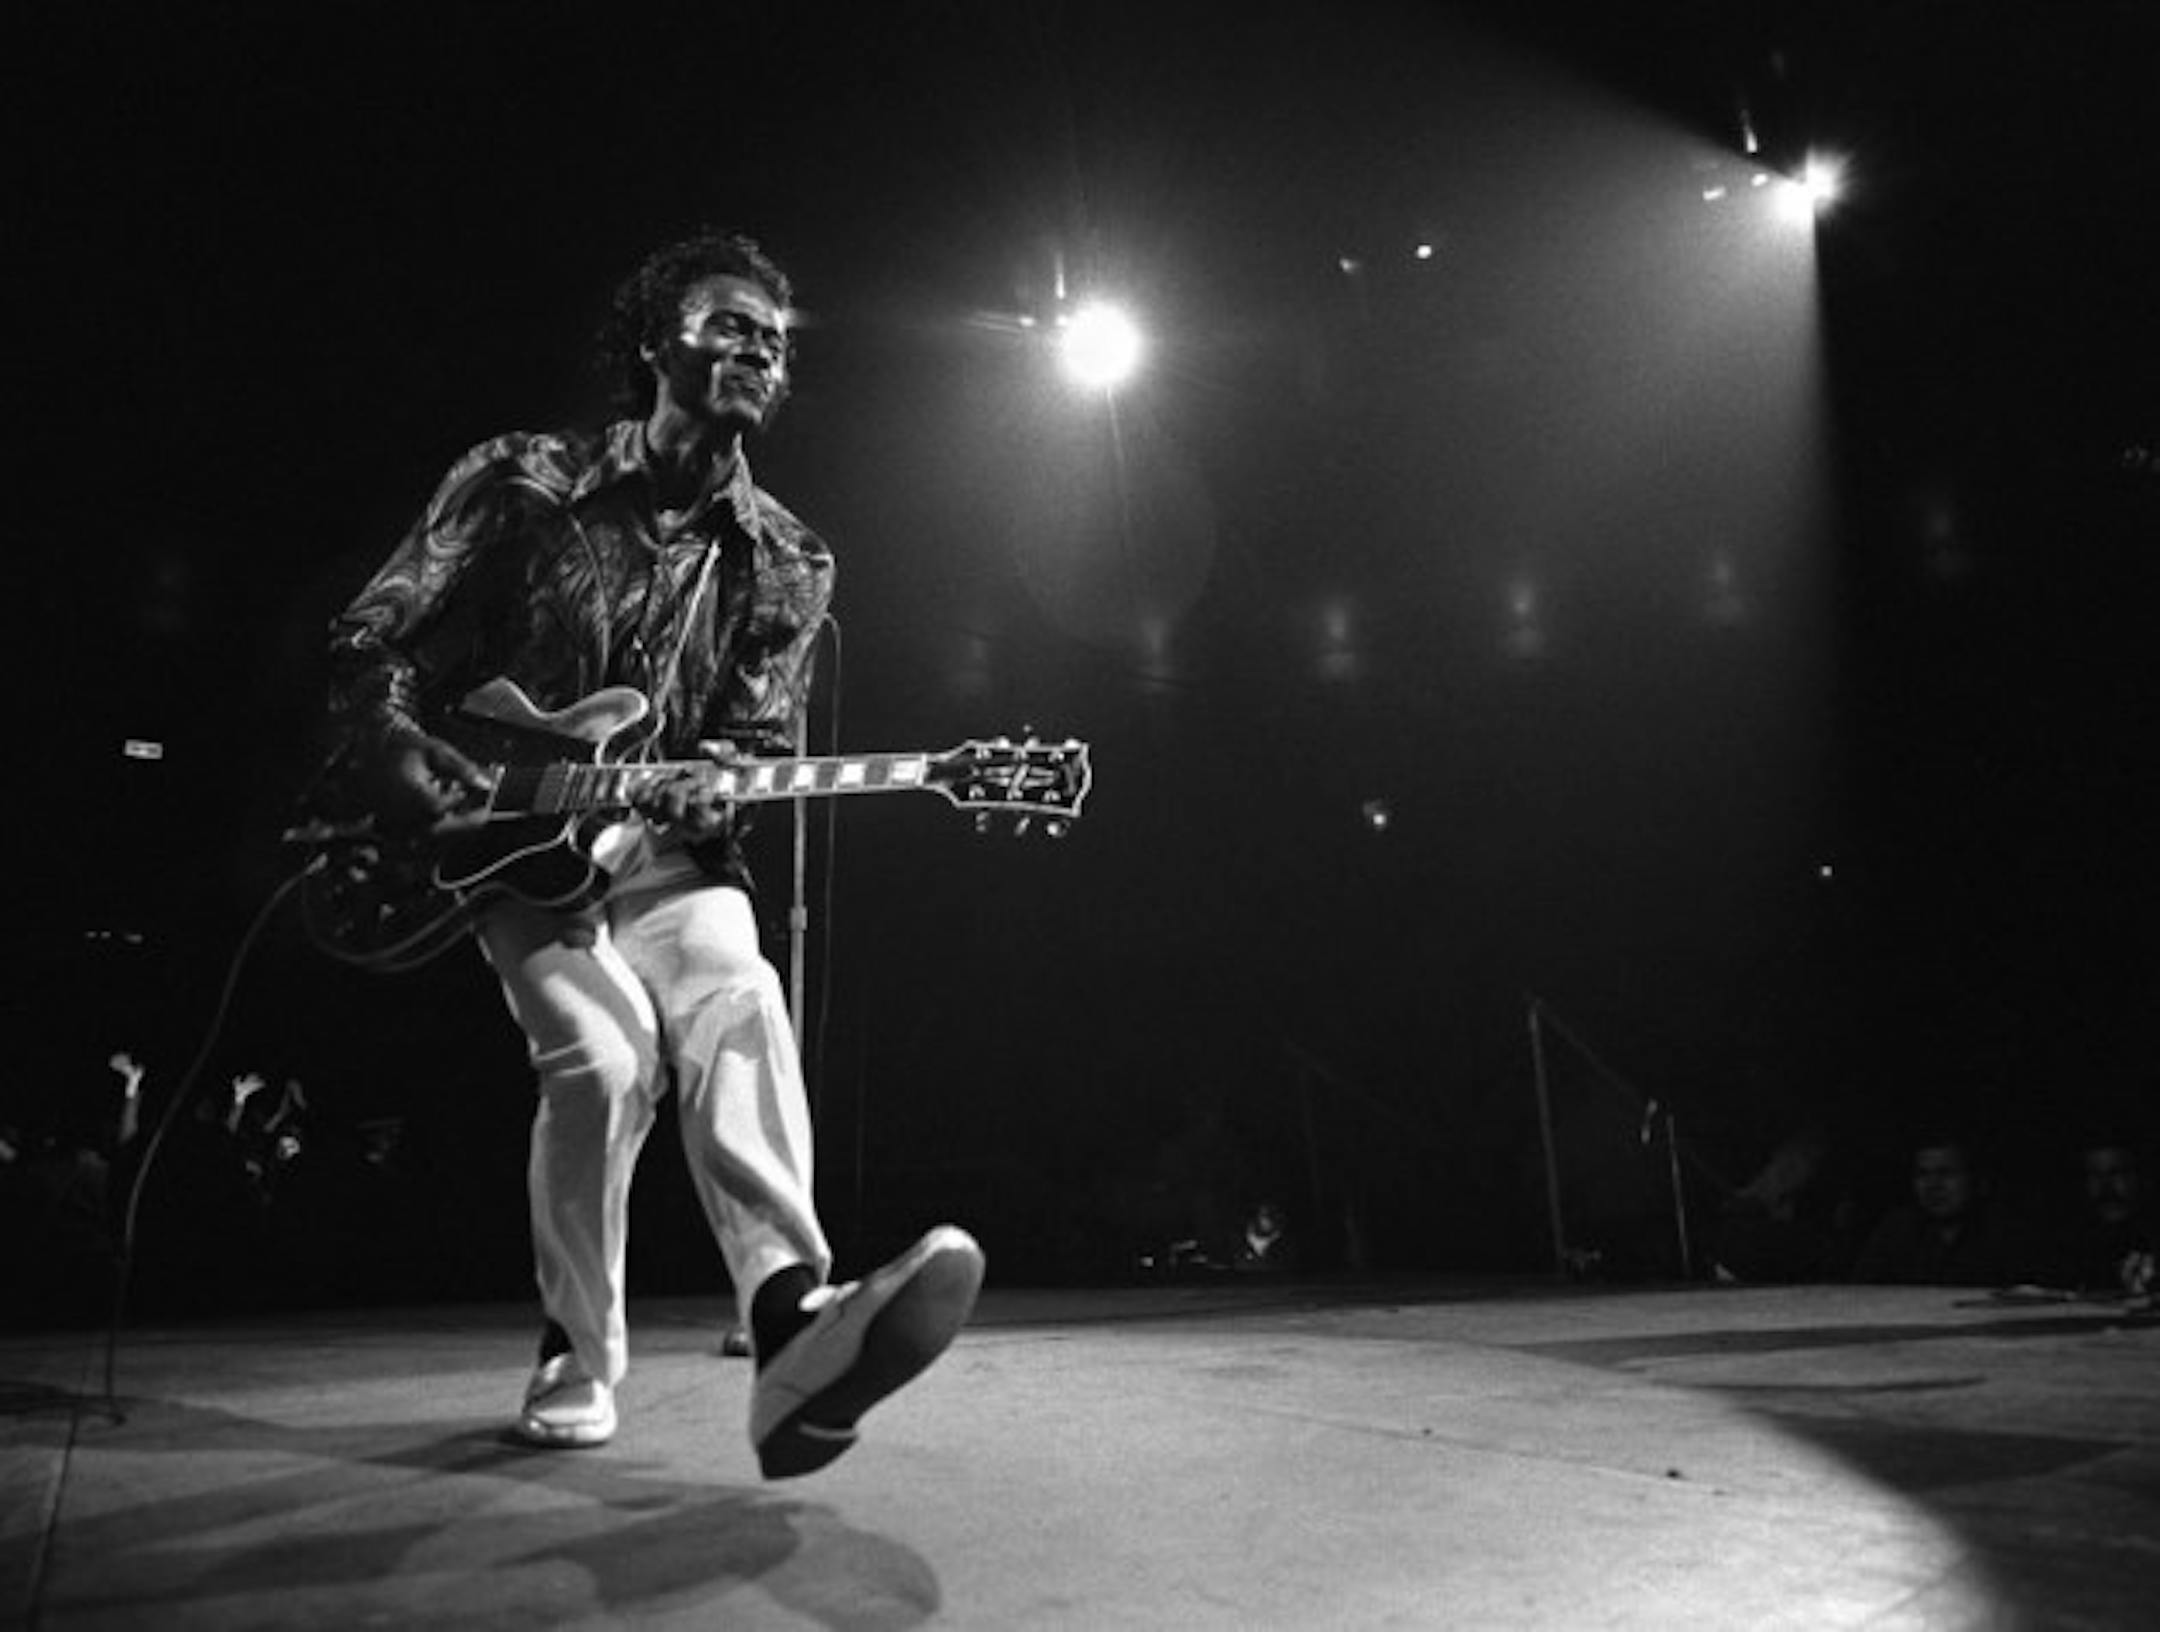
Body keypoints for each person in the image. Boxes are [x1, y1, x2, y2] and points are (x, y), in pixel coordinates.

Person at [322, 228, 983, 1475]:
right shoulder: (523, 476)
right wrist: (390, 740)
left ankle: (792, 1316)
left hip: (664, 851)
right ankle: (576, 1349)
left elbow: (749, 739)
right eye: (730, 324)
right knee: (605, 1060)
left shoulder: (790, 557)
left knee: (738, 989)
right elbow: (376, 629)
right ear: (652, 341)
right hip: (506, 831)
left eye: (775, 343)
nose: (758, 350)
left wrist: (720, 785)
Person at [1848, 1136, 2031, 1287]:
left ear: (1978, 1182)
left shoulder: (2006, 1231)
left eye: (1946, 1174)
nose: (1933, 1186)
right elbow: (1863, 1292)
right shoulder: (1897, 1229)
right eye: (1922, 1174)